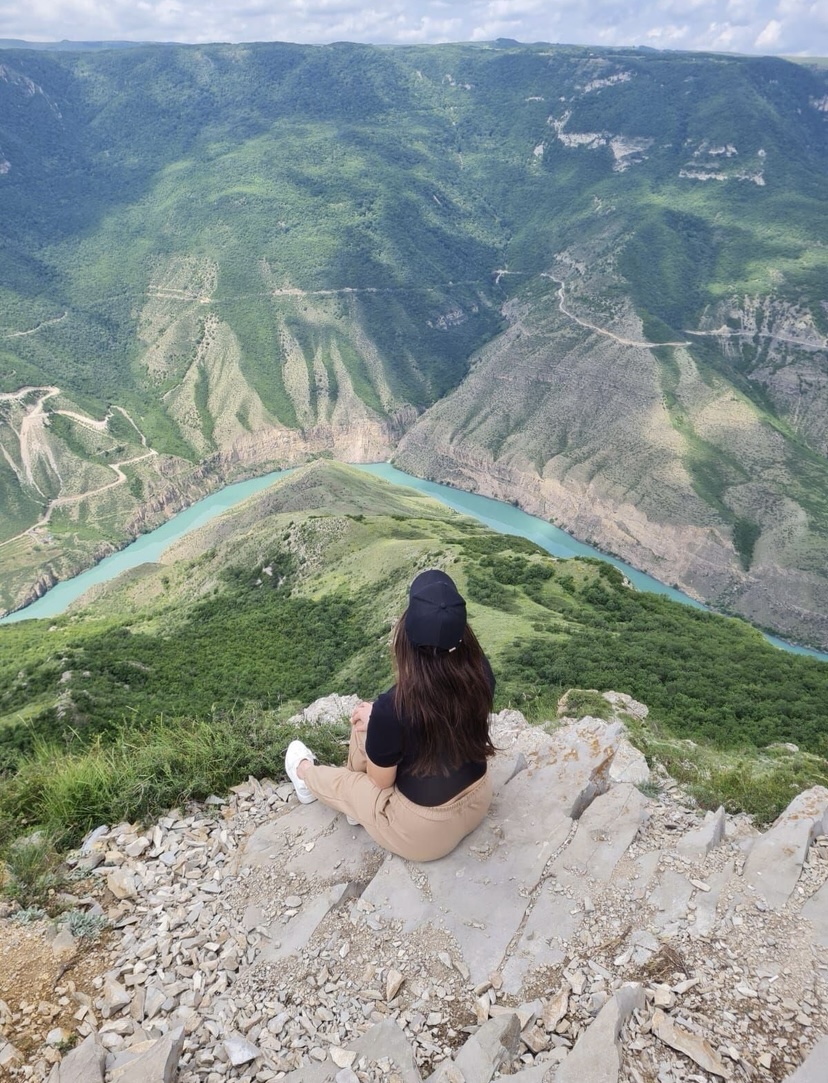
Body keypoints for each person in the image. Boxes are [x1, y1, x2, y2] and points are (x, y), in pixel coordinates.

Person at [284, 568, 496, 862]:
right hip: (478, 799)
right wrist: (377, 726)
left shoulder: (393, 706)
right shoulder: (482, 672)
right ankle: (357, 808)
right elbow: (441, 718)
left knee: (353, 782)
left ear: (406, 634)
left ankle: (304, 775)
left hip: (424, 835)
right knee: (367, 727)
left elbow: (382, 782)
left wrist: (378, 728)